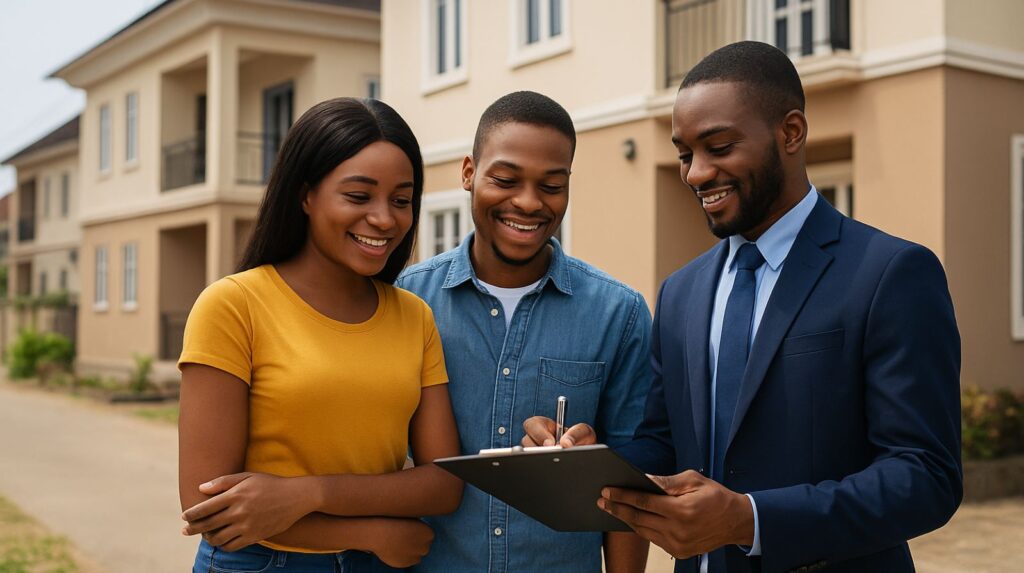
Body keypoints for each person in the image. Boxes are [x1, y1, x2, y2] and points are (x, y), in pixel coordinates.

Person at [524, 42, 962, 572]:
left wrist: (750, 520)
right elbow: (664, 445)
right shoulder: (681, 292)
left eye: (720, 147)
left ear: (792, 132)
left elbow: (925, 476)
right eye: (685, 154)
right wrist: (591, 464)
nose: (696, 174)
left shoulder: (890, 273)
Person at [177, 97, 463, 572]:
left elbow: (444, 483)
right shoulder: (233, 306)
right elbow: (208, 507)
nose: (385, 219)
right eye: (358, 196)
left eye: (401, 200)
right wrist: (369, 531)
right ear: (305, 195)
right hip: (260, 562)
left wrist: (306, 492)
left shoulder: (414, 317)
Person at [395, 91, 653, 572]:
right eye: (506, 179)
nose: (529, 202)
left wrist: (585, 462)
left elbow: (629, 483)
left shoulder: (622, 314)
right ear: (469, 173)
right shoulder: (405, 301)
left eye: (552, 185)